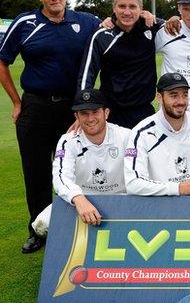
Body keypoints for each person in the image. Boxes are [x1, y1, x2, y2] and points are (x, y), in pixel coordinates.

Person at [0, 0, 101, 253]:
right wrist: (16, 102)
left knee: (78, 168)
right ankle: (38, 230)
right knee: (36, 171)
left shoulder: (86, 21)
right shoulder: (25, 22)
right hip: (35, 106)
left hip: (74, 109)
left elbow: (117, 22)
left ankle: (79, 225)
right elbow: (2, 61)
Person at [32, 89, 131, 236]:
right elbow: (60, 177)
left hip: (120, 197)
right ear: (76, 116)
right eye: (84, 113)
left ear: (106, 113)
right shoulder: (68, 141)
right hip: (83, 199)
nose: (90, 119)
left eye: (95, 112)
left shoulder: (126, 136)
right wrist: (78, 199)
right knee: (41, 224)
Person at [78, 0, 164, 129]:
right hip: (112, 114)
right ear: (114, 8)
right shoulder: (101, 36)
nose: (127, 12)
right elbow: (87, 75)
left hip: (144, 113)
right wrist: (83, 108)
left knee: (144, 152)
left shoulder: (151, 27)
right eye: (122, 6)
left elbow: (177, 26)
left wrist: (176, 17)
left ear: (141, 9)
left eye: (132, 6)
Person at [125, 73, 190, 196]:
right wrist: (179, 188)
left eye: (184, 95)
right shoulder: (141, 133)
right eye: (174, 95)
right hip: (161, 206)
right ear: (159, 98)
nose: (181, 101)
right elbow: (133, 184)